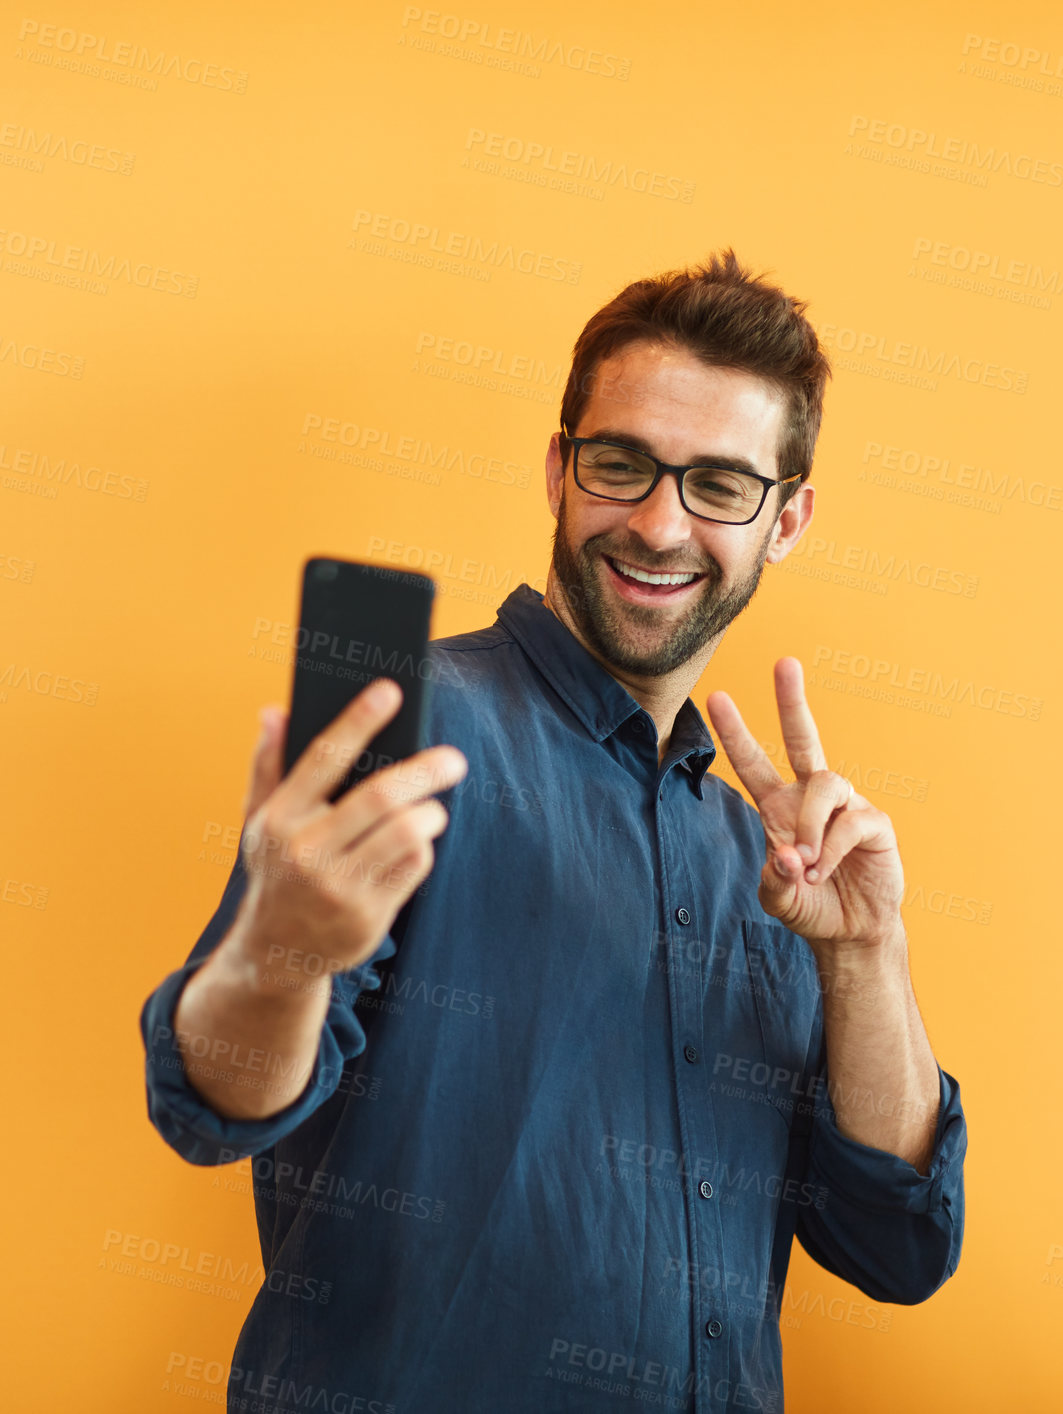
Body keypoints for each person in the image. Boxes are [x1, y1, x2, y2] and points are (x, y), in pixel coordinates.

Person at [140, 249, 966, 1414]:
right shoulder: (410, 739)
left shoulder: (776, 860)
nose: (658, 522)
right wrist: (283, 950)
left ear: (787, 520)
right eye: (621, 463)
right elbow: (212, 1101)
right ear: (557, 468)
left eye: (720, 485)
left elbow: (897, 1246)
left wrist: (863, 953)